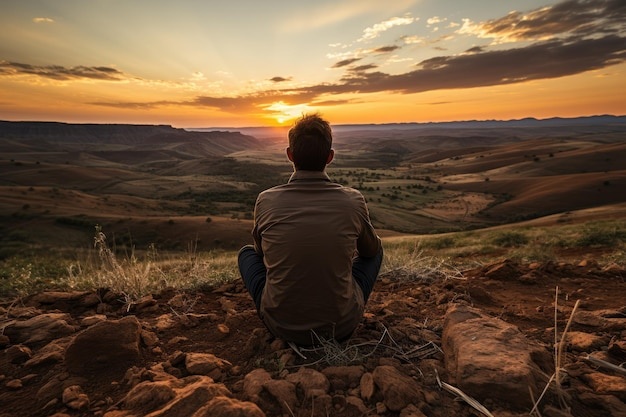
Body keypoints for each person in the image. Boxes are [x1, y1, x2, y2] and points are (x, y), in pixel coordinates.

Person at [237, 113, 383, 346]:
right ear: (330, 157)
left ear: (289, 155)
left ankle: (283, 306)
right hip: (341, 327)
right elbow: (369, 252)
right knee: (376, 249)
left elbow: (260, 253)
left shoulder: (266, 200)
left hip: (281, 326)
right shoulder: (353, 200)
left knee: (246, 253)